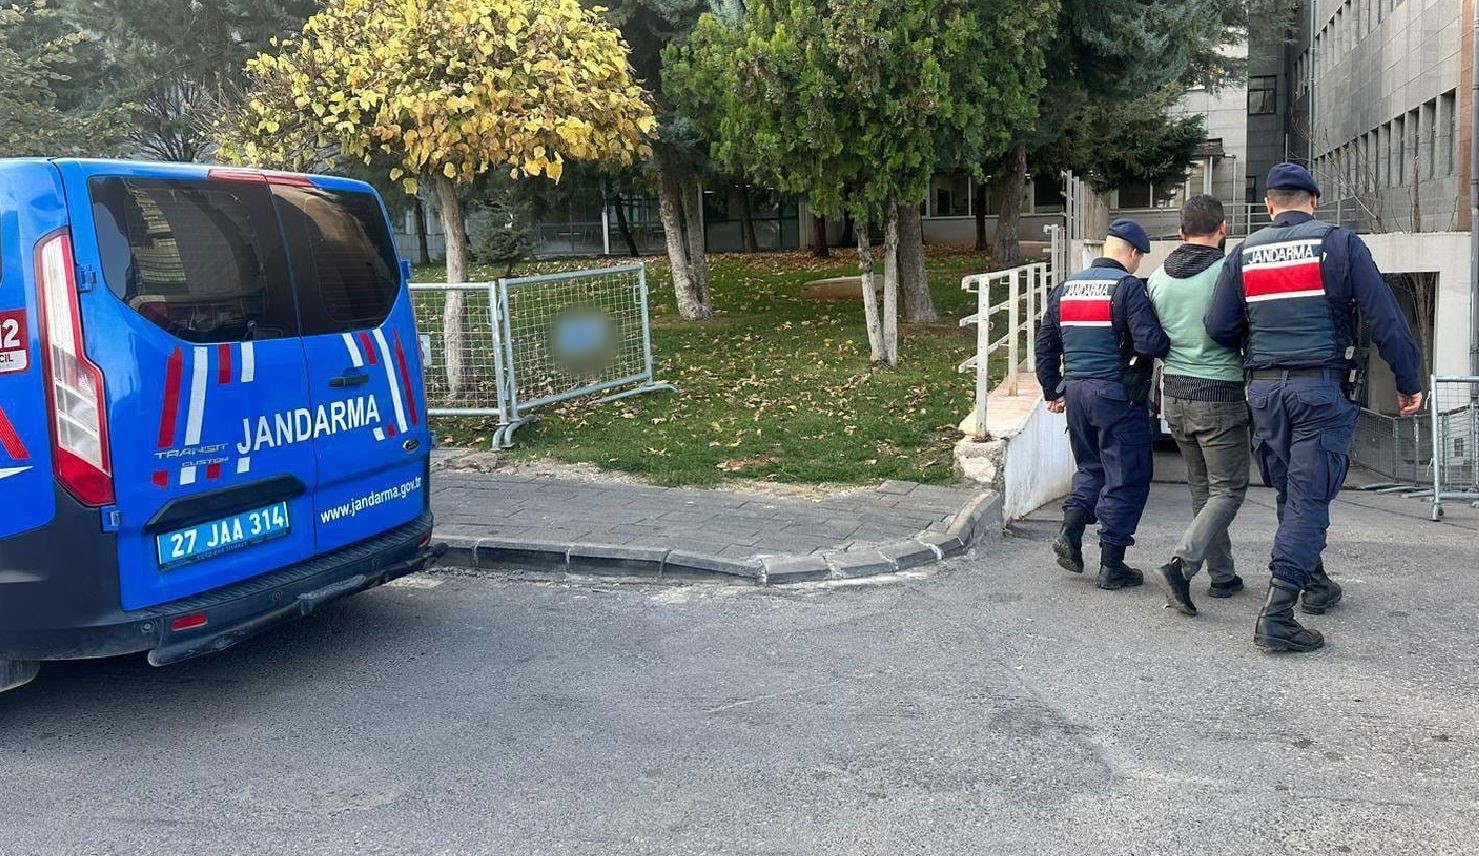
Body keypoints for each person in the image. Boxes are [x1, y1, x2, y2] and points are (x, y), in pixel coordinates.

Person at [1206, 163, 1423, 653]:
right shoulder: (1339, 244)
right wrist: (1408, 381)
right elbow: (1383, 318)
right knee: (1308, 495)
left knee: (1292, 489)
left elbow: (1218, 326)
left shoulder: (1245, 253)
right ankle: (1277, 616)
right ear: (1314, 202)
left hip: (1263, 393)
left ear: (1268, 205)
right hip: (1319, 391)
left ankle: (1314, 582)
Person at [1036, 218, 1170, 591]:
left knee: (1092, 468)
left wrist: (1052, 391)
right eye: (1139, 257)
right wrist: (1162, 341)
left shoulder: (1065, 288)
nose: (1138, 264)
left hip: (1076, 393)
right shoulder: (1127, 288)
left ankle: (1070, 532)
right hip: (1116, 396)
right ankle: (1112, 565)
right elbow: (1148, 343)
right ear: (1132, 253)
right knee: (1127, 476)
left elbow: (1045, 345)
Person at [1145, 196, 1249, 616]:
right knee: (1229, 490)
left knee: (1204, 490)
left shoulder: (1156, 280)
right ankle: (1181, 566)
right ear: (1222, 229)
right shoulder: (1227, 272)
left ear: (1180, 233)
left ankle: (1222, 576)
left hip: (1175, 394)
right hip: (1219, 392)